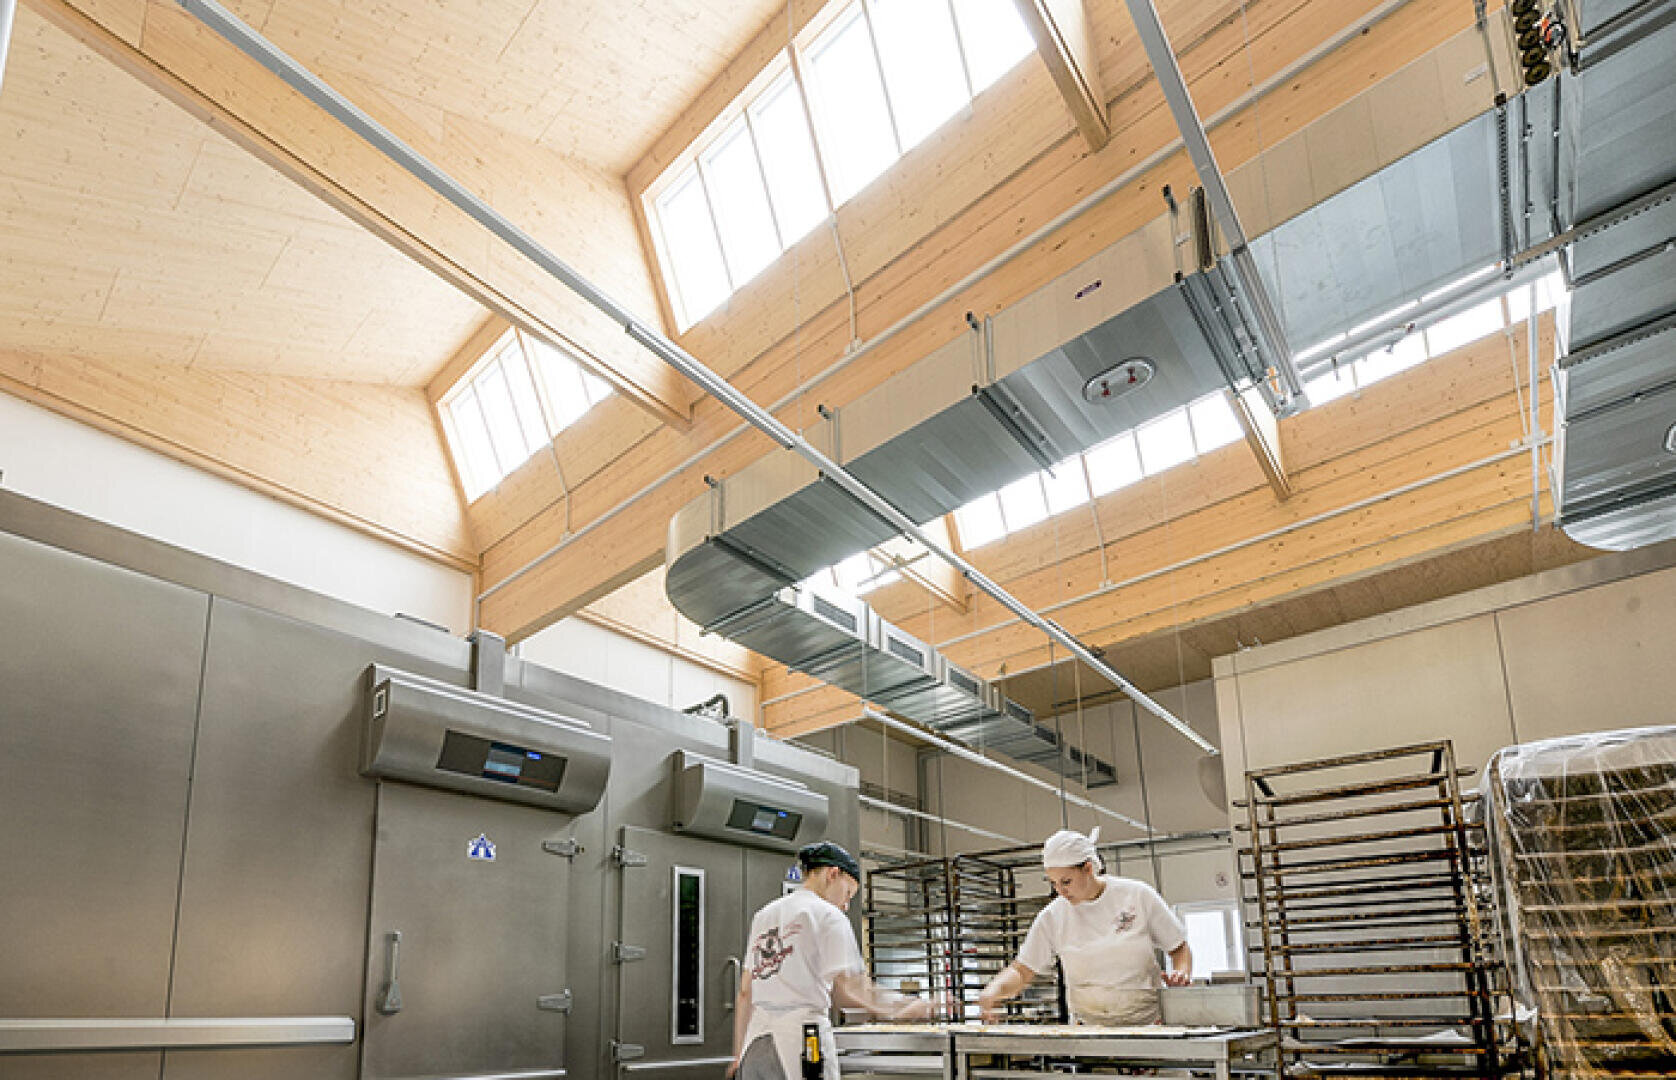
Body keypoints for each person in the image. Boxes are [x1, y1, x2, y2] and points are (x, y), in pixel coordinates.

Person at [729, 841, 932, 1080]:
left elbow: (745, 992)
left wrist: (737, 1055)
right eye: (848, 894)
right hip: (800, 1043)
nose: (846, 906)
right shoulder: (828, 915)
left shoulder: (763, 915)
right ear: (833, 874)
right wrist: (903, 1007)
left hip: (755, 1045)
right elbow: (852, 988)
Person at [978, 827, 1192, 1025]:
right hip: (1089, 1029)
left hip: (1147, 1024)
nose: (1060, 891)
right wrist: (994, 990)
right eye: (1053, 883)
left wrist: (1181, 972)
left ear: (1088, 868)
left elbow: (1178, 947)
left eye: (1066, 881)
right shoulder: (1053, 916)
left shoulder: (1136, 895)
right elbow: (1022, 970)